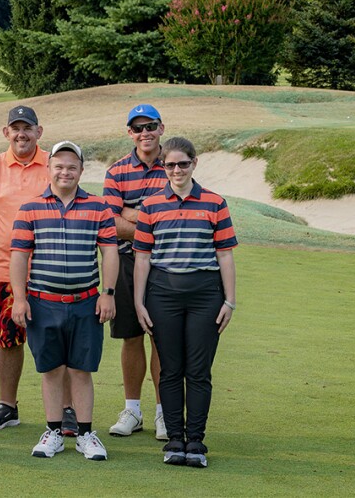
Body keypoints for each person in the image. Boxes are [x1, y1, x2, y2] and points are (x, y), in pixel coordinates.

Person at [132, 137, 238, 468]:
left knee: (198, 371)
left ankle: (196, 441)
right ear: (162, 166)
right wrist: (139, 302)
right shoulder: (150, 206)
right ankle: (175, 440)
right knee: (170, 369)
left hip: (206, 293)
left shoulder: (214, 203)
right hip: (163, 292)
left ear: (195, 163)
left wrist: (230, 302)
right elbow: (142, 260)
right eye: (170, 165)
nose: (177, 170)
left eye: (183, 164)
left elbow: (225, 255)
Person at [0, 106, 78, 435]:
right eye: (15, 128)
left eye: (27, 128)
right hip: (3, 270)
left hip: (49, 272)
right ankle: (8, 405)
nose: (21, 134)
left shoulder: (52, 165)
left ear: (39, 131)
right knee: (8, 341)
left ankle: (68, 409)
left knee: (59, 343)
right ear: (6, 132)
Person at [11, 141, 119, 461]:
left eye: (72, 166)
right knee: (52, 370)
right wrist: (19, 298)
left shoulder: (99, 208)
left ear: (81, 170)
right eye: (59, 166)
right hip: (43, 301)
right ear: (49, 168)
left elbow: (110, 253)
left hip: (86, 301)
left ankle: (86, 434)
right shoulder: (30, 209)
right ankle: (54, 432)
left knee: (81, 370)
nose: (65, 172)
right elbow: (19, 255)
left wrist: (108, 293)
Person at [102, 103, 168, 440]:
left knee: (160, 337)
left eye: (150, 126)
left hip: (164, 265)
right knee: (130, 336)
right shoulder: (116, 172)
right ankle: (133, 410)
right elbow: (110, 224)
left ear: (161, 128)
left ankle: (163, 412)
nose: (145, 133)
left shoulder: (173, 165)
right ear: (130, 132)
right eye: (138, 128)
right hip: (127, 261)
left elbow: (176, 218)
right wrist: (149, 220)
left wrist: (132, 213)